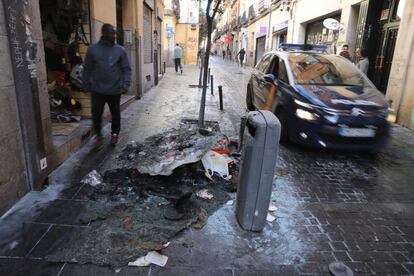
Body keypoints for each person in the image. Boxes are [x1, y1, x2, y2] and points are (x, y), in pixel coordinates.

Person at [83, 23, 131, 148]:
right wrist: (86, 84)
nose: (112, 35)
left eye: (113, 33)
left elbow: (126, 69)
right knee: (96, 114)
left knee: (115, 114)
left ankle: (115, 134)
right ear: (103, 33)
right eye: (110, 33)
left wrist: (125, 84)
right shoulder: (92, 50)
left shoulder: (120, 50)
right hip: (97, 90)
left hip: (114, 90)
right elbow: (87, 69)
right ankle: (98, 136)